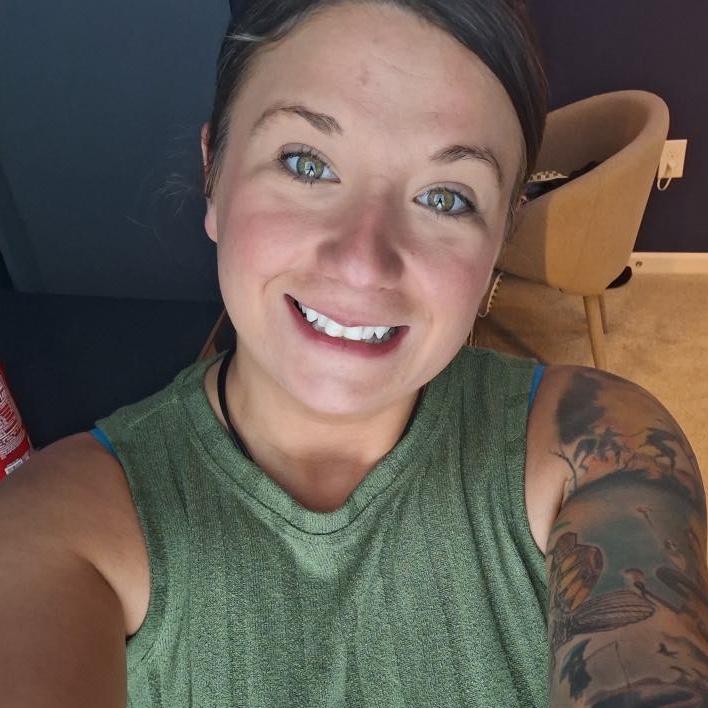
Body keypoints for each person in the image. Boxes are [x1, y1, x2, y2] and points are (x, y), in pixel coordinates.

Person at [1, 1, 706, 706]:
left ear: (500, 238)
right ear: (214, 174)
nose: (364, 262)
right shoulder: (61, 524)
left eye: (446, 198)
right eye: (306, 163)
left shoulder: (595, 446)